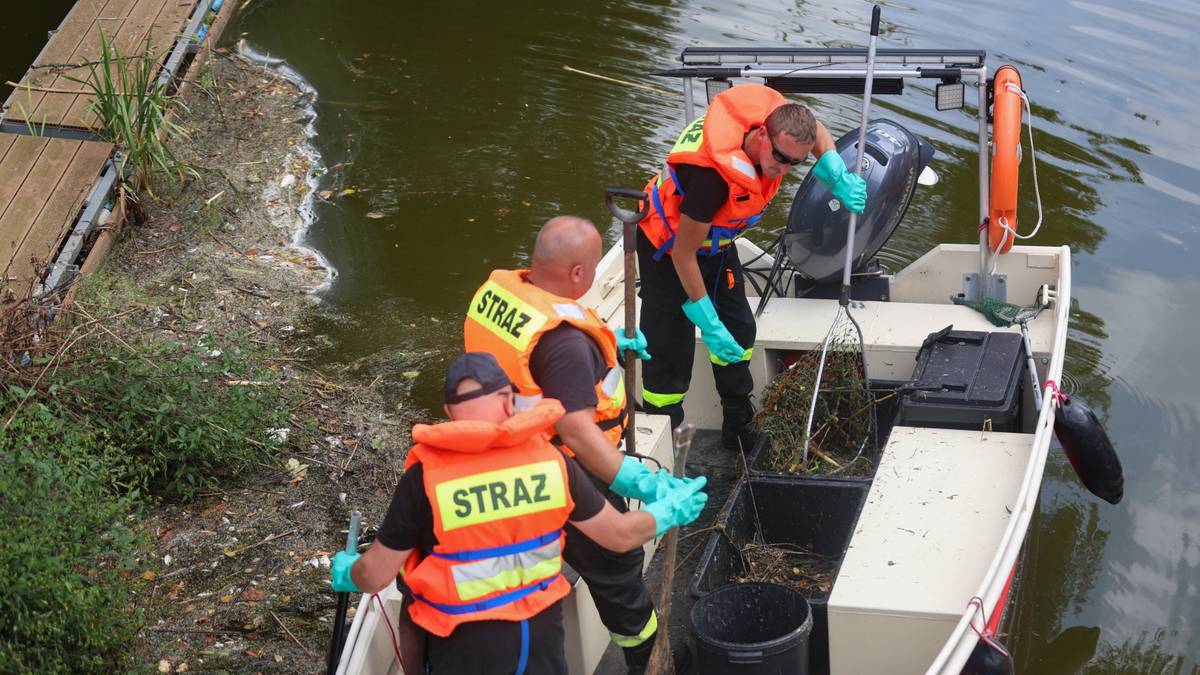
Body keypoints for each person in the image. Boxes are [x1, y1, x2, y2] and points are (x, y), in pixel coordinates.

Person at [330, 353, 707, 674]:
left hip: (464, 650)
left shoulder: (425, 479)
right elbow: (620, 535)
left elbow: (376, 574)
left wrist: (350, 571)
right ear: (510, 401)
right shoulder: (550, 462)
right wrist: (668, 510)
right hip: (540, 641)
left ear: (449, 413)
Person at [464, 216, 694, 672]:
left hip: (498, 451)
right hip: (559, 466)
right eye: (589, 270)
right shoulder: (566, 344)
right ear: (576, 274)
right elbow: (577, 432)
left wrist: (609, 343)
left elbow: (528, 367)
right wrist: (635, 479)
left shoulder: (504, 294)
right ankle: (648, 656)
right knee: (616, 567)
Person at [635, 82, 869, 451]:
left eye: (796, 163)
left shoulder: (782, 123)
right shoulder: (711, 180)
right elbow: (684, 254)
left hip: (718, 246)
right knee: (669, 351)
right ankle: (666, 444)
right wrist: (707, 323)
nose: (783, 169)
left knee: (740, 331)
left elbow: (817, 129)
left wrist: (836, 176)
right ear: (762, 134)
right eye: (780, 157)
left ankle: (738, 425)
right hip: (667, 251)